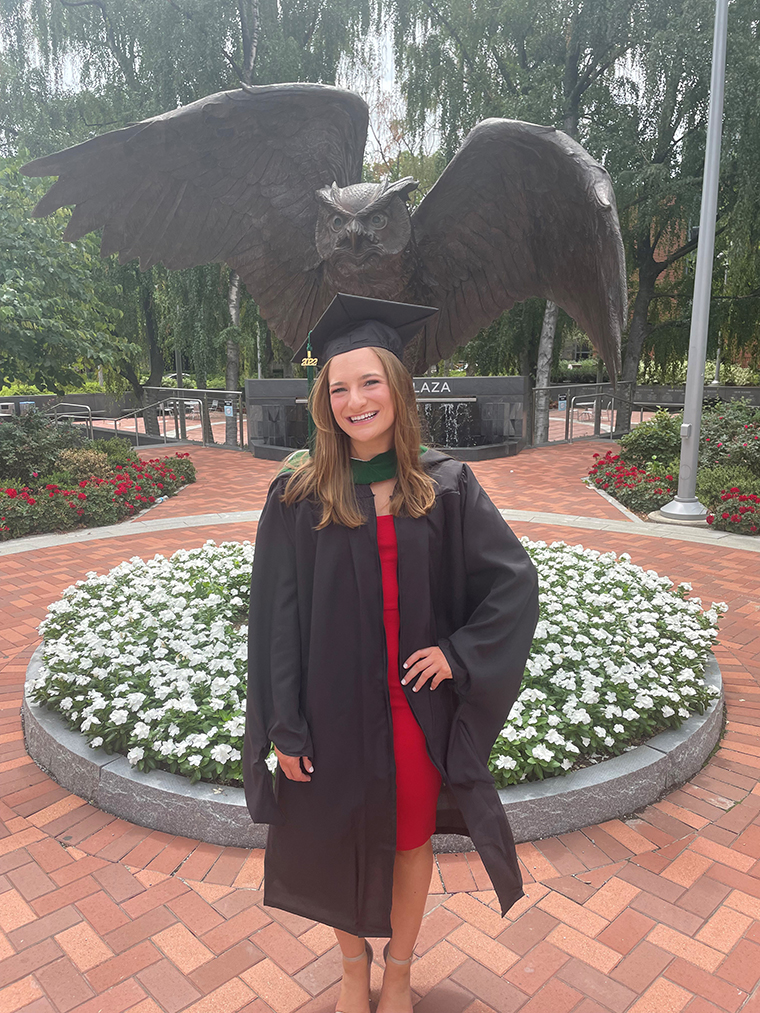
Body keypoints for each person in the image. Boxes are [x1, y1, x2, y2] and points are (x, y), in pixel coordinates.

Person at [244, 293, 539, 1013]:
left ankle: (399, 972)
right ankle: (353, 970)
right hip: (330, 707)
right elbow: (274, 621)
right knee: (336, 835)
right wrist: (284, 723)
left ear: (397, 389)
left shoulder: (444, 485)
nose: (355, 400)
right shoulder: (298, 495)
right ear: (324, 402)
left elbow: (513, 582)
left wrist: (458, 653)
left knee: (410, 844)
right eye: (339, 388)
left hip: (410, 711)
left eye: (369, 381)